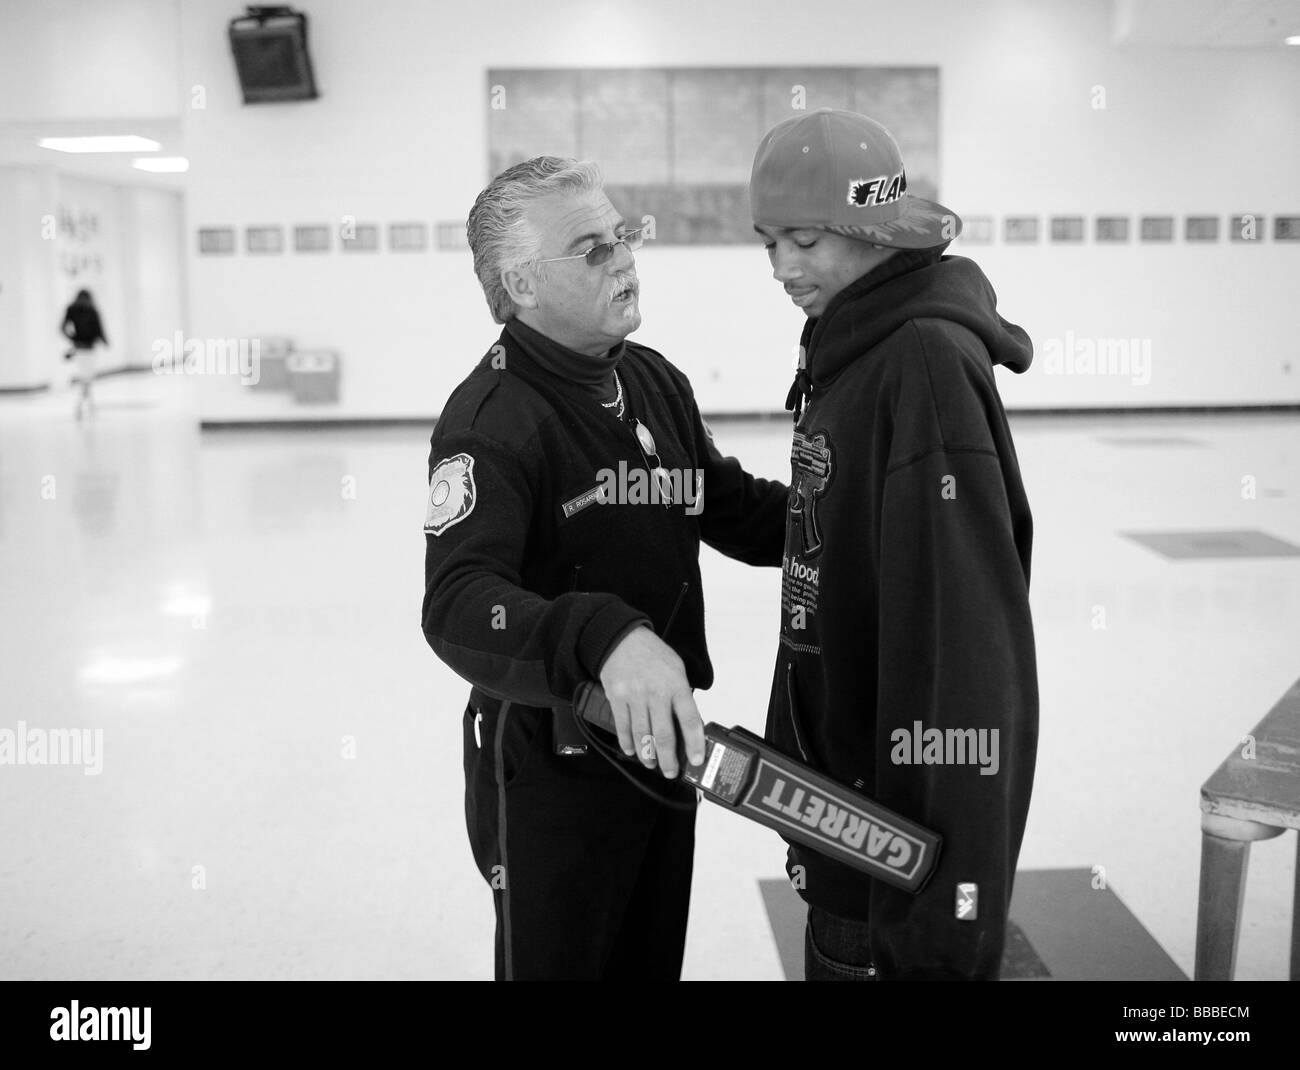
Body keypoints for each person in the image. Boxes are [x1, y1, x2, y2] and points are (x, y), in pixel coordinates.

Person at [421, 156, 788, 980]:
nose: (624, 258)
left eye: (621, 237)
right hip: (552, 766)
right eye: (592, 249)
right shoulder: (492, 421)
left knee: (648, 960)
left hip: (663, 746)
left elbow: (723, 503)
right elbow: (456, 602)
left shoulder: (653, 380)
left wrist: (841, 523)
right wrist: (606, 634)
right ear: (521, 281)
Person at [749, 109, 1039, 980]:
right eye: (768, 243)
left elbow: (969, 664)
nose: (783, 268)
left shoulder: (919, 365)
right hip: (842, 820)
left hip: (889, 871)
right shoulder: (852, 339)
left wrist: (941, 926)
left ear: (874, 231)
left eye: (803, 239)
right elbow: (831, 529)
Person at [61, 289, 108, 421]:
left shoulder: (72, 309)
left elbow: (63, 327)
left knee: (85, 377)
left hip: (79, 347)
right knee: (87, 377)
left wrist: (73, 338)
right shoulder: (92, 310)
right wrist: (105, 341)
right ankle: (81, 404)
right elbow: (99, 329)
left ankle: (89, 403)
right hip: (89, 348)